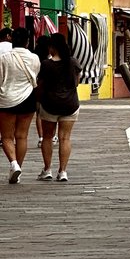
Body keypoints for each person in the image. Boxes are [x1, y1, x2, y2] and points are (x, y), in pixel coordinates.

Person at [36, 33, 80, 182]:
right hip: (70, 104)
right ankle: (63, 171)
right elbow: (77, 83)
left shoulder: (46, 64)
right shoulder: (73, 62)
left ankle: (47, 169)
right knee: (65, 138)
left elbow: (41, 85)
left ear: (52, 47)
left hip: (50, 104)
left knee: (48, 137)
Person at [0, 27, 41, 183]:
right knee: (22, 136)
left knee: (7, 137)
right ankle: (18, 168)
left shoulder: (4, 58)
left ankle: (13, 163)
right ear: (27, 41)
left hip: (6, 100)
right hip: (28, 99)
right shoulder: (35, 58)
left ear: (11, 40)